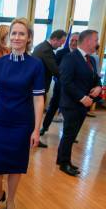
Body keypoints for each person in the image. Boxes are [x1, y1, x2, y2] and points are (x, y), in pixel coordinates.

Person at [0, 18, 45, 209]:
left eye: (21, 34)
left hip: (21, 124)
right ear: (9, 36)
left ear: (28, 38)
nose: (17, 37)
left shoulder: (36, 65)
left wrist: (36, 129)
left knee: (15, 165)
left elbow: (38, 99)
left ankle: (10, 200)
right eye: (14, 33)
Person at [57, 30, 102, 176]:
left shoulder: (91, 60)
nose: (97, 43)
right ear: (88, 41)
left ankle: (64, 160)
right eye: (96, 40)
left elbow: (96, 78)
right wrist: (82, 98)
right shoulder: (71, 58)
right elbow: (66, 82)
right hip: (71, 104)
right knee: (69, 134)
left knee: (72, 134)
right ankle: (64, 163)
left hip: (83, 105)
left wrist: (98, 87)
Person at [40, 32, 79, 137]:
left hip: (73, 90)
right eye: (72, 40)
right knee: (52, 108)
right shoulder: (61, 53)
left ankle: (69, 134)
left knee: (70, 113)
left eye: (76, 41)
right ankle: (44, 128)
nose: (74, 43)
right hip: (60, 87)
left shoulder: (81, 55)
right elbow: (54, 69)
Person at [32, 29, 66, 148]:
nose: (62, 45)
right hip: (38, 88)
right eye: (61, 42)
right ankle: (33, 138)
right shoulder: (46, 50)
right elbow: (55, 70)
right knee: (36, 115)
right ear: (55, 39)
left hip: (36, 87)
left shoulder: (41, 46)